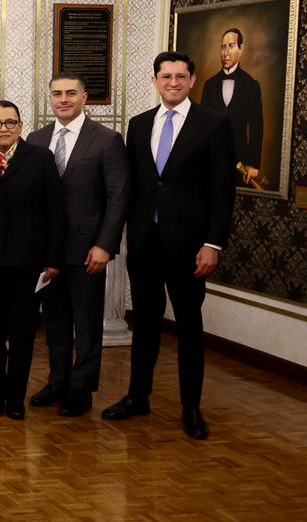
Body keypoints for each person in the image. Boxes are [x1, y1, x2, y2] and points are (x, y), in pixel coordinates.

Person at [103, 51, 236, 441]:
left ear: (192, 80)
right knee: (144, 323)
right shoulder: (139, 124)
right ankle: (138, 396)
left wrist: (212, 243)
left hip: (190, 246)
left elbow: (223, 190)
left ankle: (191, 407)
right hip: (145, 242)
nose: (173, 83)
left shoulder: (214, 125)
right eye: (166, 76)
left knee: (189, 326)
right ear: (155, 81)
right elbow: (133, 184)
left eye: (180, 76)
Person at [26, 73, 129, 417]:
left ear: (84, 98)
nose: (64, 99)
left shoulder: (107, 139)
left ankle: (81, 388)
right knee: (54, 322)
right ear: (50, 98)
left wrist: (105, 245)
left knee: (86, 323)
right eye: (57, 93)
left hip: (88, 250)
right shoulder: (37, 139)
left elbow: (118, 197)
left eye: (71, 93)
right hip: (48, 251)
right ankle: (58, 381)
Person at [0, 101, 64, 421]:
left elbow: (55, 211)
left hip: (28, 263)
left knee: (23, 333)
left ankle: (16, 398)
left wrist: (53, 259)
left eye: (10, 122)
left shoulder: (41, 158)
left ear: (21, 126)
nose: (3, 128)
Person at [198, 28, 263, 185]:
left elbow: (256, 127)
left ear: (241, 49)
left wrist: (253, 164)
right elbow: (202, 126)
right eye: (223, 47)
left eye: (231, 46)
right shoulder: (209, 85)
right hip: (211, 163)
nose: (226, 53)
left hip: (240, 165)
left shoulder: (251, 85)